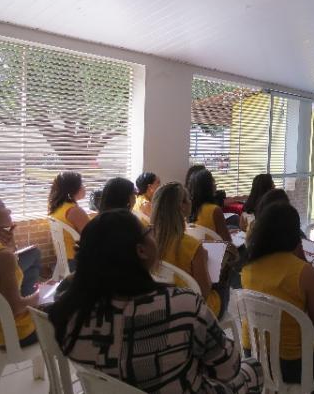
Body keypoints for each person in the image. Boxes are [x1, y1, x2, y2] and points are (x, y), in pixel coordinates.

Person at [49, 209, 263, 394]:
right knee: (252, 368)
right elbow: (228, 369)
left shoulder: (71, 312)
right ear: (141, 250)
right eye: (148, 232)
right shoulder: (181, 306)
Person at [241, 202, 314, 394]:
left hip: (253, 354)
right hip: (292, 365)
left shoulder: (247, 268)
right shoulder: (304, 272)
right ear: (294, 234)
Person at [151, 182, 230, 319]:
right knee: (225, 280)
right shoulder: (193, 247)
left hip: (165, 302)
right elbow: (203, 293)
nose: (191, 202)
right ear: (182, 206)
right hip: (198, 311)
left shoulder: (149, 239)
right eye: (188, 199)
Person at [0, 199, 40, 347]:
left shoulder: (5, 253)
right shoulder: (4, 256)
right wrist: (40, 296)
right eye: (3, 206)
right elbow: (14, 308)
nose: (9, 211)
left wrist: (10, 246)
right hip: (11, 334)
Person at [48, 171, 89, 270]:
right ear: (73, 189)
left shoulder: (55, 206)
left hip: (63, 258)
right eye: (81, 184)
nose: (84, 187)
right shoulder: (74, 211)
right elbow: (91, 238)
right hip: (76, 260)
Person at [188, 169, 232, 242]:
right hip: (216, 250)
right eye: (213, 181)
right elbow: (228, 242)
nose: (215, 184)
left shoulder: (188, 209)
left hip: (198, 248)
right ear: (207, 187)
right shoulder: (215, 210)